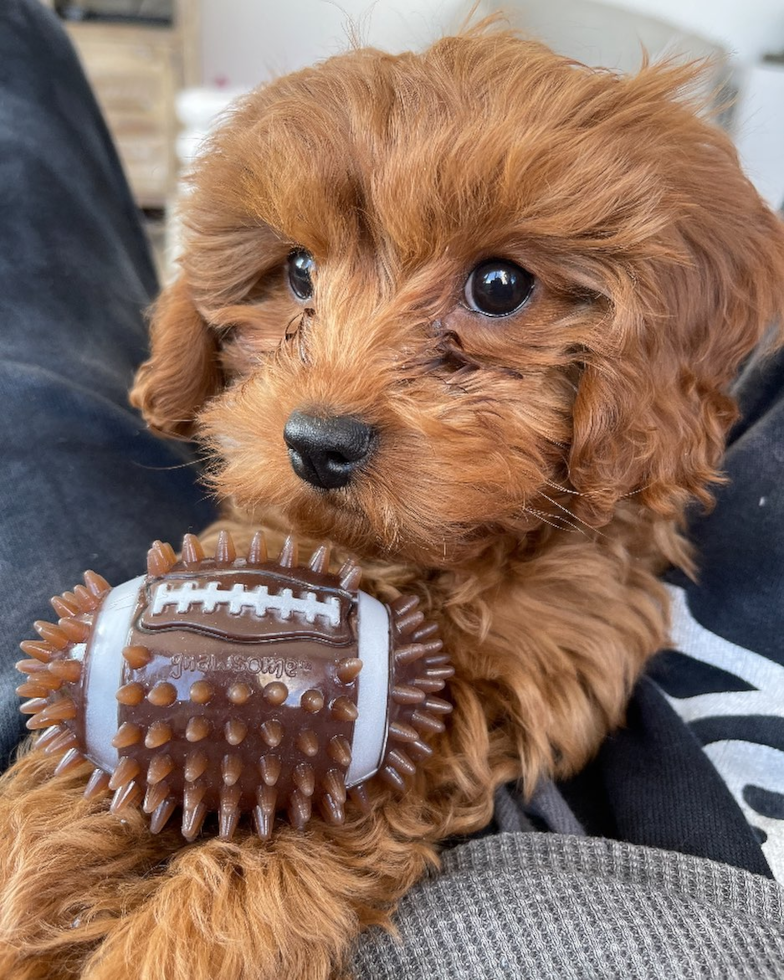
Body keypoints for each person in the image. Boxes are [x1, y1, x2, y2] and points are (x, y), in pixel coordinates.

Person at [1, 2, 782, 976]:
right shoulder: (284, 478)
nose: (333, 391)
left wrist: (288, 864)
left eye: (497, 289)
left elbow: (436, 759)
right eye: (299, 271)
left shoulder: (567, 583)